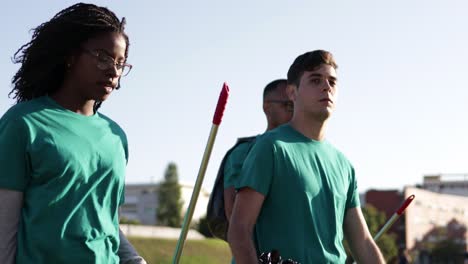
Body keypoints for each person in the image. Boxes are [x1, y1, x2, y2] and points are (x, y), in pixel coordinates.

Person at [0, 3, 145, 264]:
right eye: (103, 57)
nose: (113, 71)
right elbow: (4, 226)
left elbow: (104, 221)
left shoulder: (116, 137)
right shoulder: (23, 124)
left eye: (121, 63)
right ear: (70, 56)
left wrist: (134, 260)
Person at [228, 50, 385, 263]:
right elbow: (239, 229)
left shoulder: (344, 165)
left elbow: (364, 243)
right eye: (315, 80)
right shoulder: (271, 147)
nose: (326, 87)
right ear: (292, 93)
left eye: (332, 81)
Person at [223, 79, 293, 220]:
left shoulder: (314, 151)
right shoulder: (243, 152)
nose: (294, 111)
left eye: (297, 105)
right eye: (288, 105)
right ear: (267, 107)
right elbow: (234, 215)